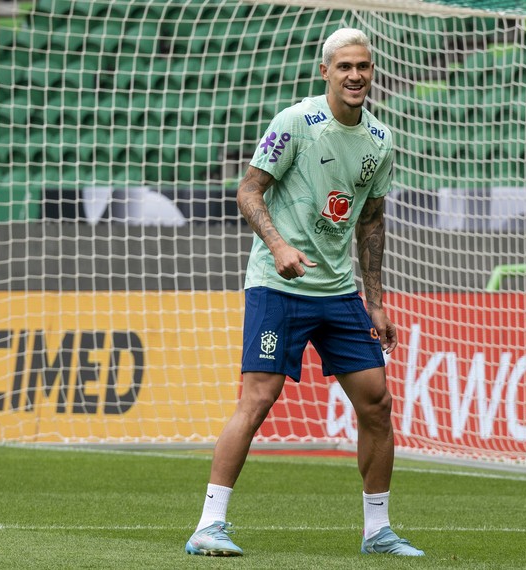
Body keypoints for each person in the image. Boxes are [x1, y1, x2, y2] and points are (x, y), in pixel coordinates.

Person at [184, 28, 423, 558]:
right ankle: (209, 524)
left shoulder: (380, 141)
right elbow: (249, 189)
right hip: (279, 283)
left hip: (338, 292)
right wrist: (279, 246)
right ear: (326, 72)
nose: (355, 75)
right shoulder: (297, 121)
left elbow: (373, 223)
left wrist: (376, 301)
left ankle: (378, 531)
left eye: (362, 66)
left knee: (378, 404)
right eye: (344, 67)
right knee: (258, 399)